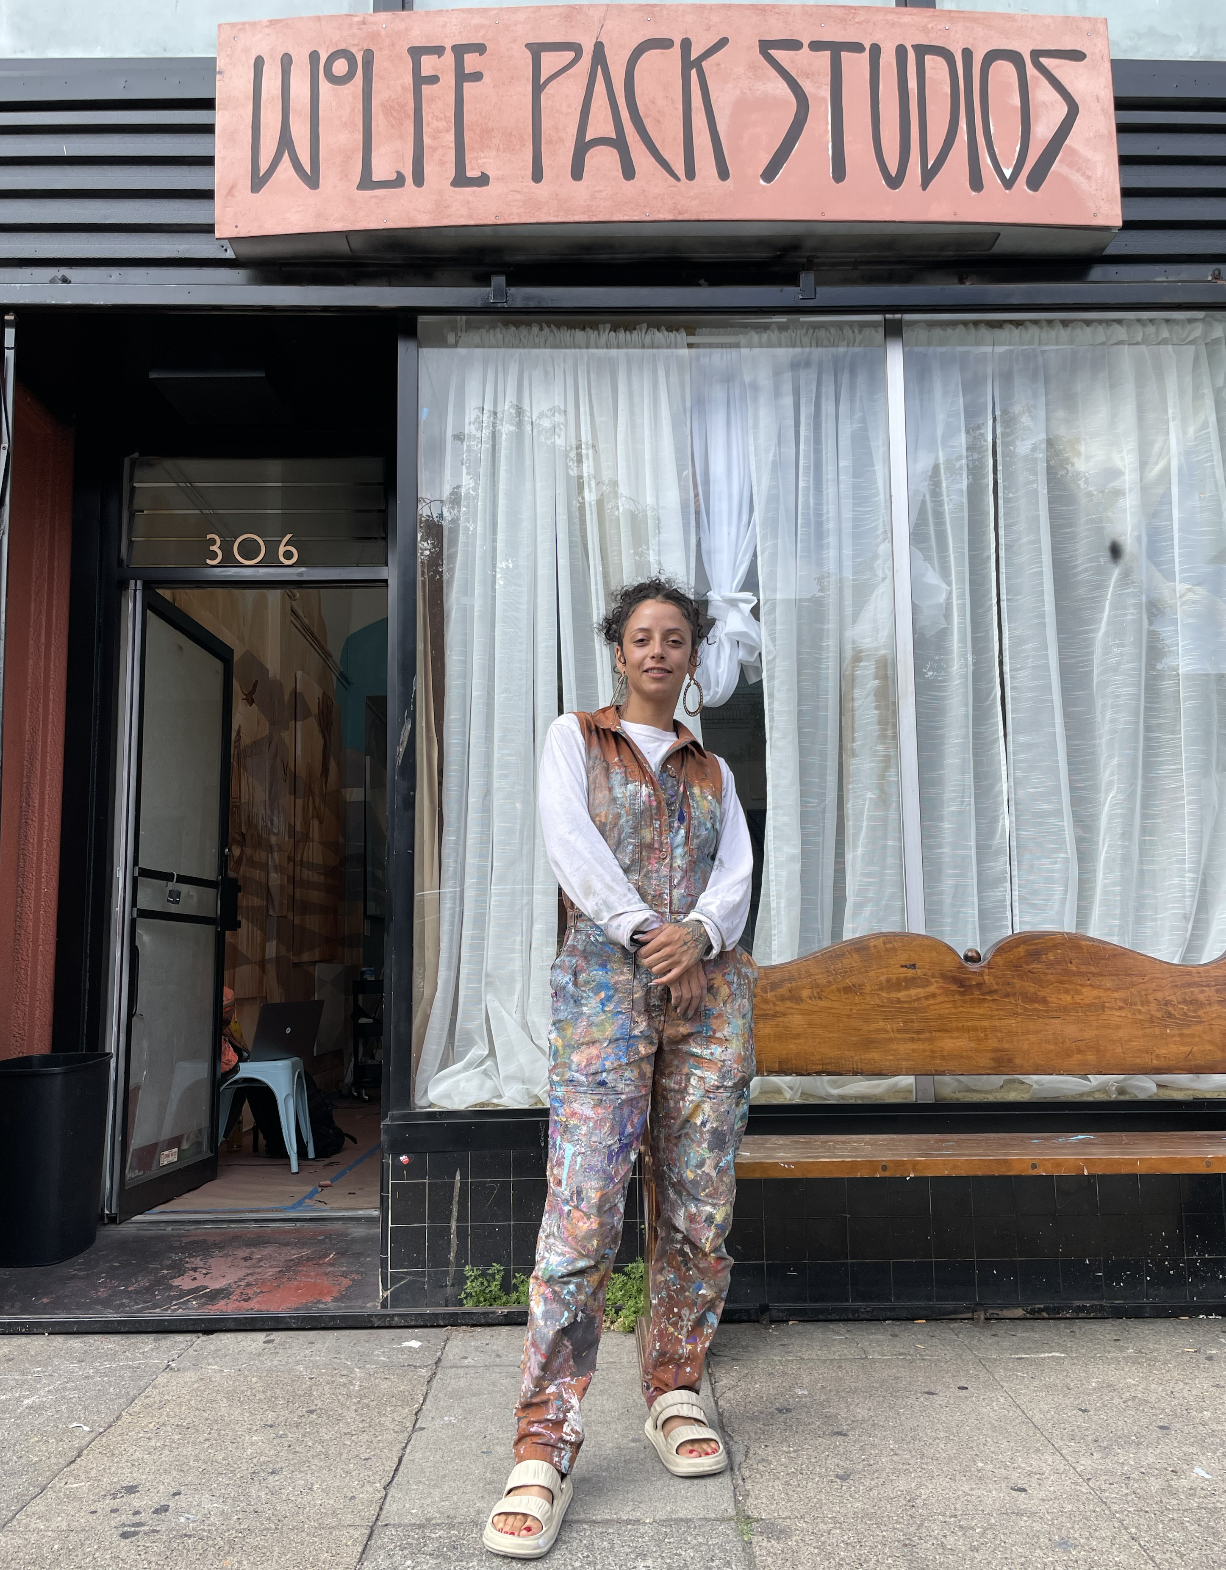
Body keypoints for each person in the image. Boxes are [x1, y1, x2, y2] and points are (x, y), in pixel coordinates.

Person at [483, 578, 756, 1558]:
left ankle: (674, 1386)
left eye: (674, 638)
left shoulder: (712, 771)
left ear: (691, 656)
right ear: (618, 649)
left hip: (709, 1004)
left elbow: (736, 873)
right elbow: (573, 847)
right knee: (584, 1215)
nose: (657, 651)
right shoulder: (575, 740)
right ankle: (541, 1441)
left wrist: (699, 934)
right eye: (641, 636)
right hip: (603, 1003)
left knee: (697, 1209)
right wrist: (652, 932)